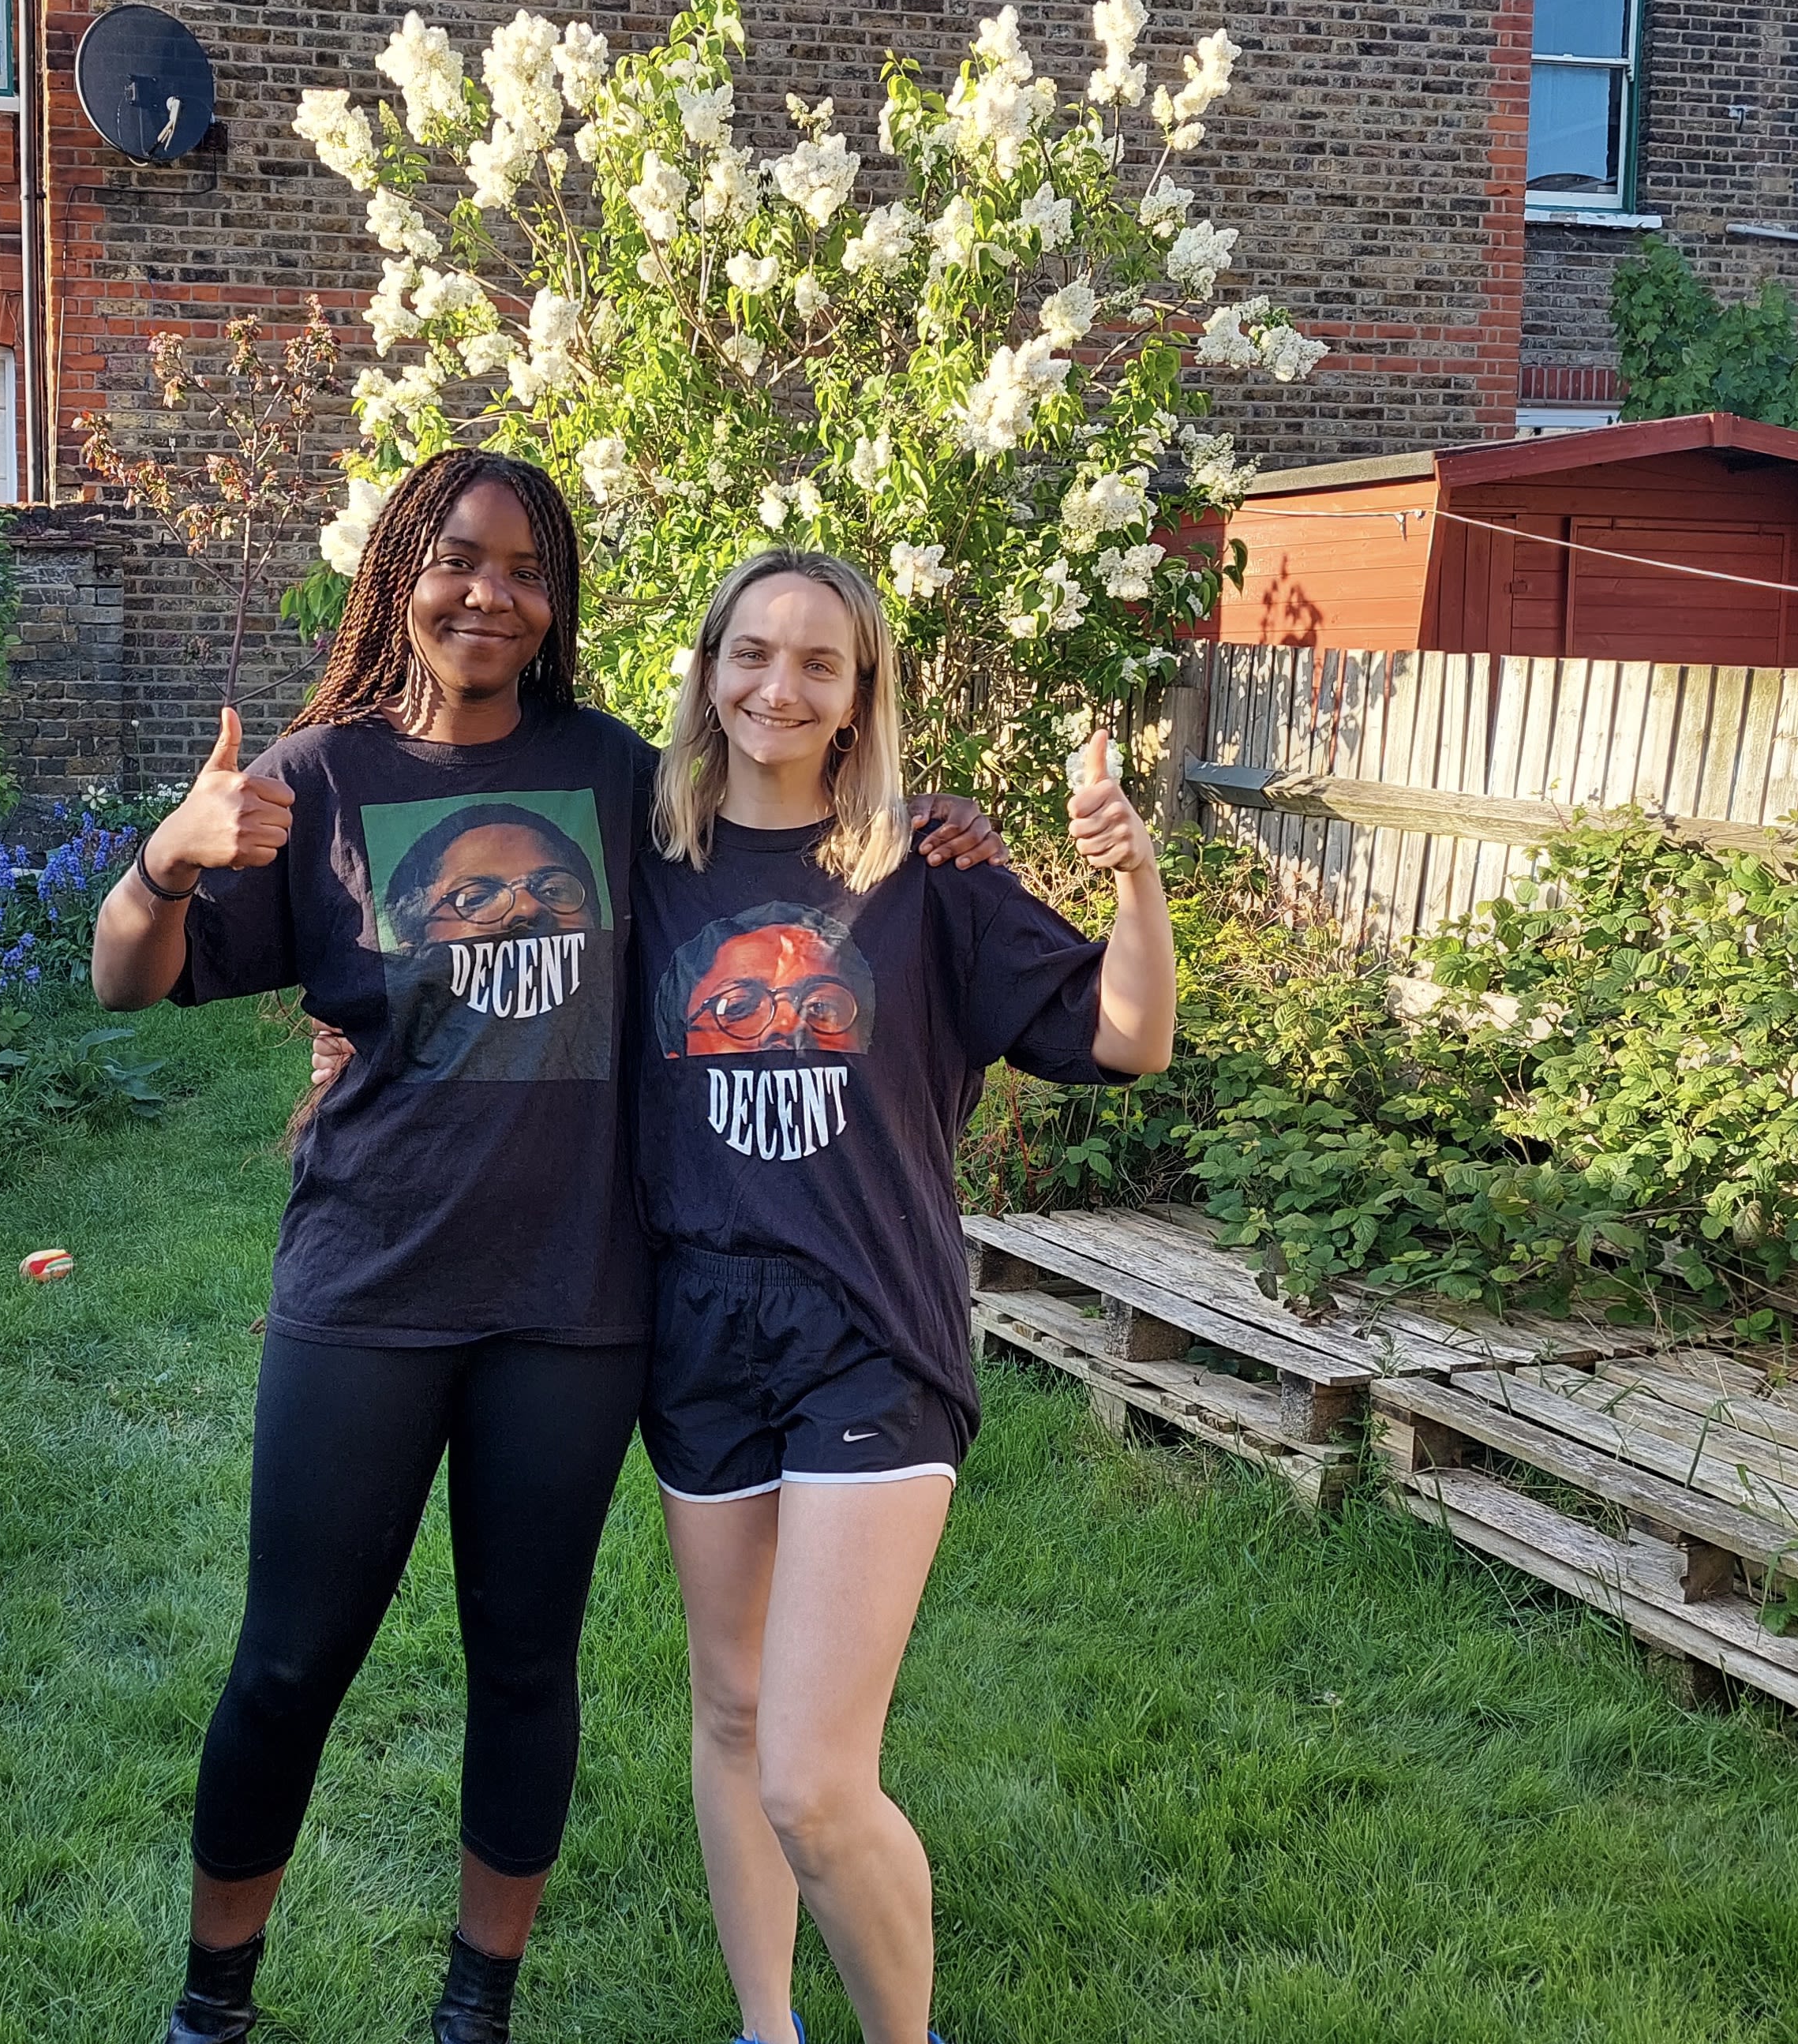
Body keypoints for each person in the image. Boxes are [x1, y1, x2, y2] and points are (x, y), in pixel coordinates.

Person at [88, 453, 1002, 2044]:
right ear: (399, 574)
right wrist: (166, 861)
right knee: (290, 1659)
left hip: (573, 1307)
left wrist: (927, 830)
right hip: (366, 1286)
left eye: (523, 570)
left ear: (554, 601)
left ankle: (475, 2005)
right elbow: (127, 978)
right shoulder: (317, 781)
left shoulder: (617, 781)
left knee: (525, 1664)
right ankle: (210, 2004)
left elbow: (776, 834)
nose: (487, 594)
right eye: (455, 561)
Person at [632, 548, 1174, 2044]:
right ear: (708, 666)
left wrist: (1132, 877)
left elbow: (1127, 1041)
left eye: (818, 662)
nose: (776, 689)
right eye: (751, 653)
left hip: (874, 1328)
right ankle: (767, 2028)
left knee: (811, 1770)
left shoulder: (925, 877)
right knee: (732, 1712)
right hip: (698, 1329)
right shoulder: (650, 857)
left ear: (862, 691)